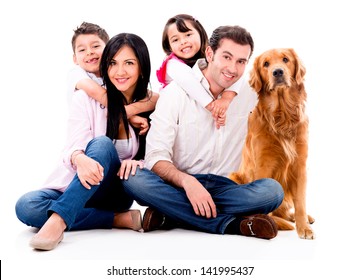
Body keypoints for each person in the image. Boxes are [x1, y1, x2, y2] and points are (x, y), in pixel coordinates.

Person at [122, 25, 284, 239]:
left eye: (241, 61)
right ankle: (235, 225)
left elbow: (281, 91)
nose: (232, 69)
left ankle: (173, 214)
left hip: (227, 189)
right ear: (209, 53)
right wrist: (189, 183)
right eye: (226, 57)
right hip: (179, 185)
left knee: (272, 191)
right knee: (133, 179)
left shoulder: (248, 92)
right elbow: (155, 156)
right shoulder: (175, 93)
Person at [15, 32, 157, 250]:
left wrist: (139, 163)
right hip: (77, 183)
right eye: (113, 63)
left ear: (141, 67)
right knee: (26, 206)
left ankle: (58, 221)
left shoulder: (151, 104)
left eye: (129, 63)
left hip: (113, 191)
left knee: (102, 144)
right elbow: (73, 145)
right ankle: (117, 219)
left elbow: (161, 156)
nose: (120, 71)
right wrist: (78, 158)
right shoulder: (84, 96)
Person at [156, 14, 240, 128]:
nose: (183, 42)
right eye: (175, 39)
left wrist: (226, 99)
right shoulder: (172, 64)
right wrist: (215, 109)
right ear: (170, 47)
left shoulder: (210, 57)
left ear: (200, 33)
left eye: (188, 35)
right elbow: (189, 82)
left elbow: (236, 72)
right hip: (176, 118)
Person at [68, 21, 157, 122]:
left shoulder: (115, 75)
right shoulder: (76, 73)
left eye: (95, 46)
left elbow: (154, 98)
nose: (89, 52)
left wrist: (130, 111)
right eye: (82, 50)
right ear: (75, 59)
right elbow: (99, 94)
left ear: (109, 49)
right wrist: (127, 114)